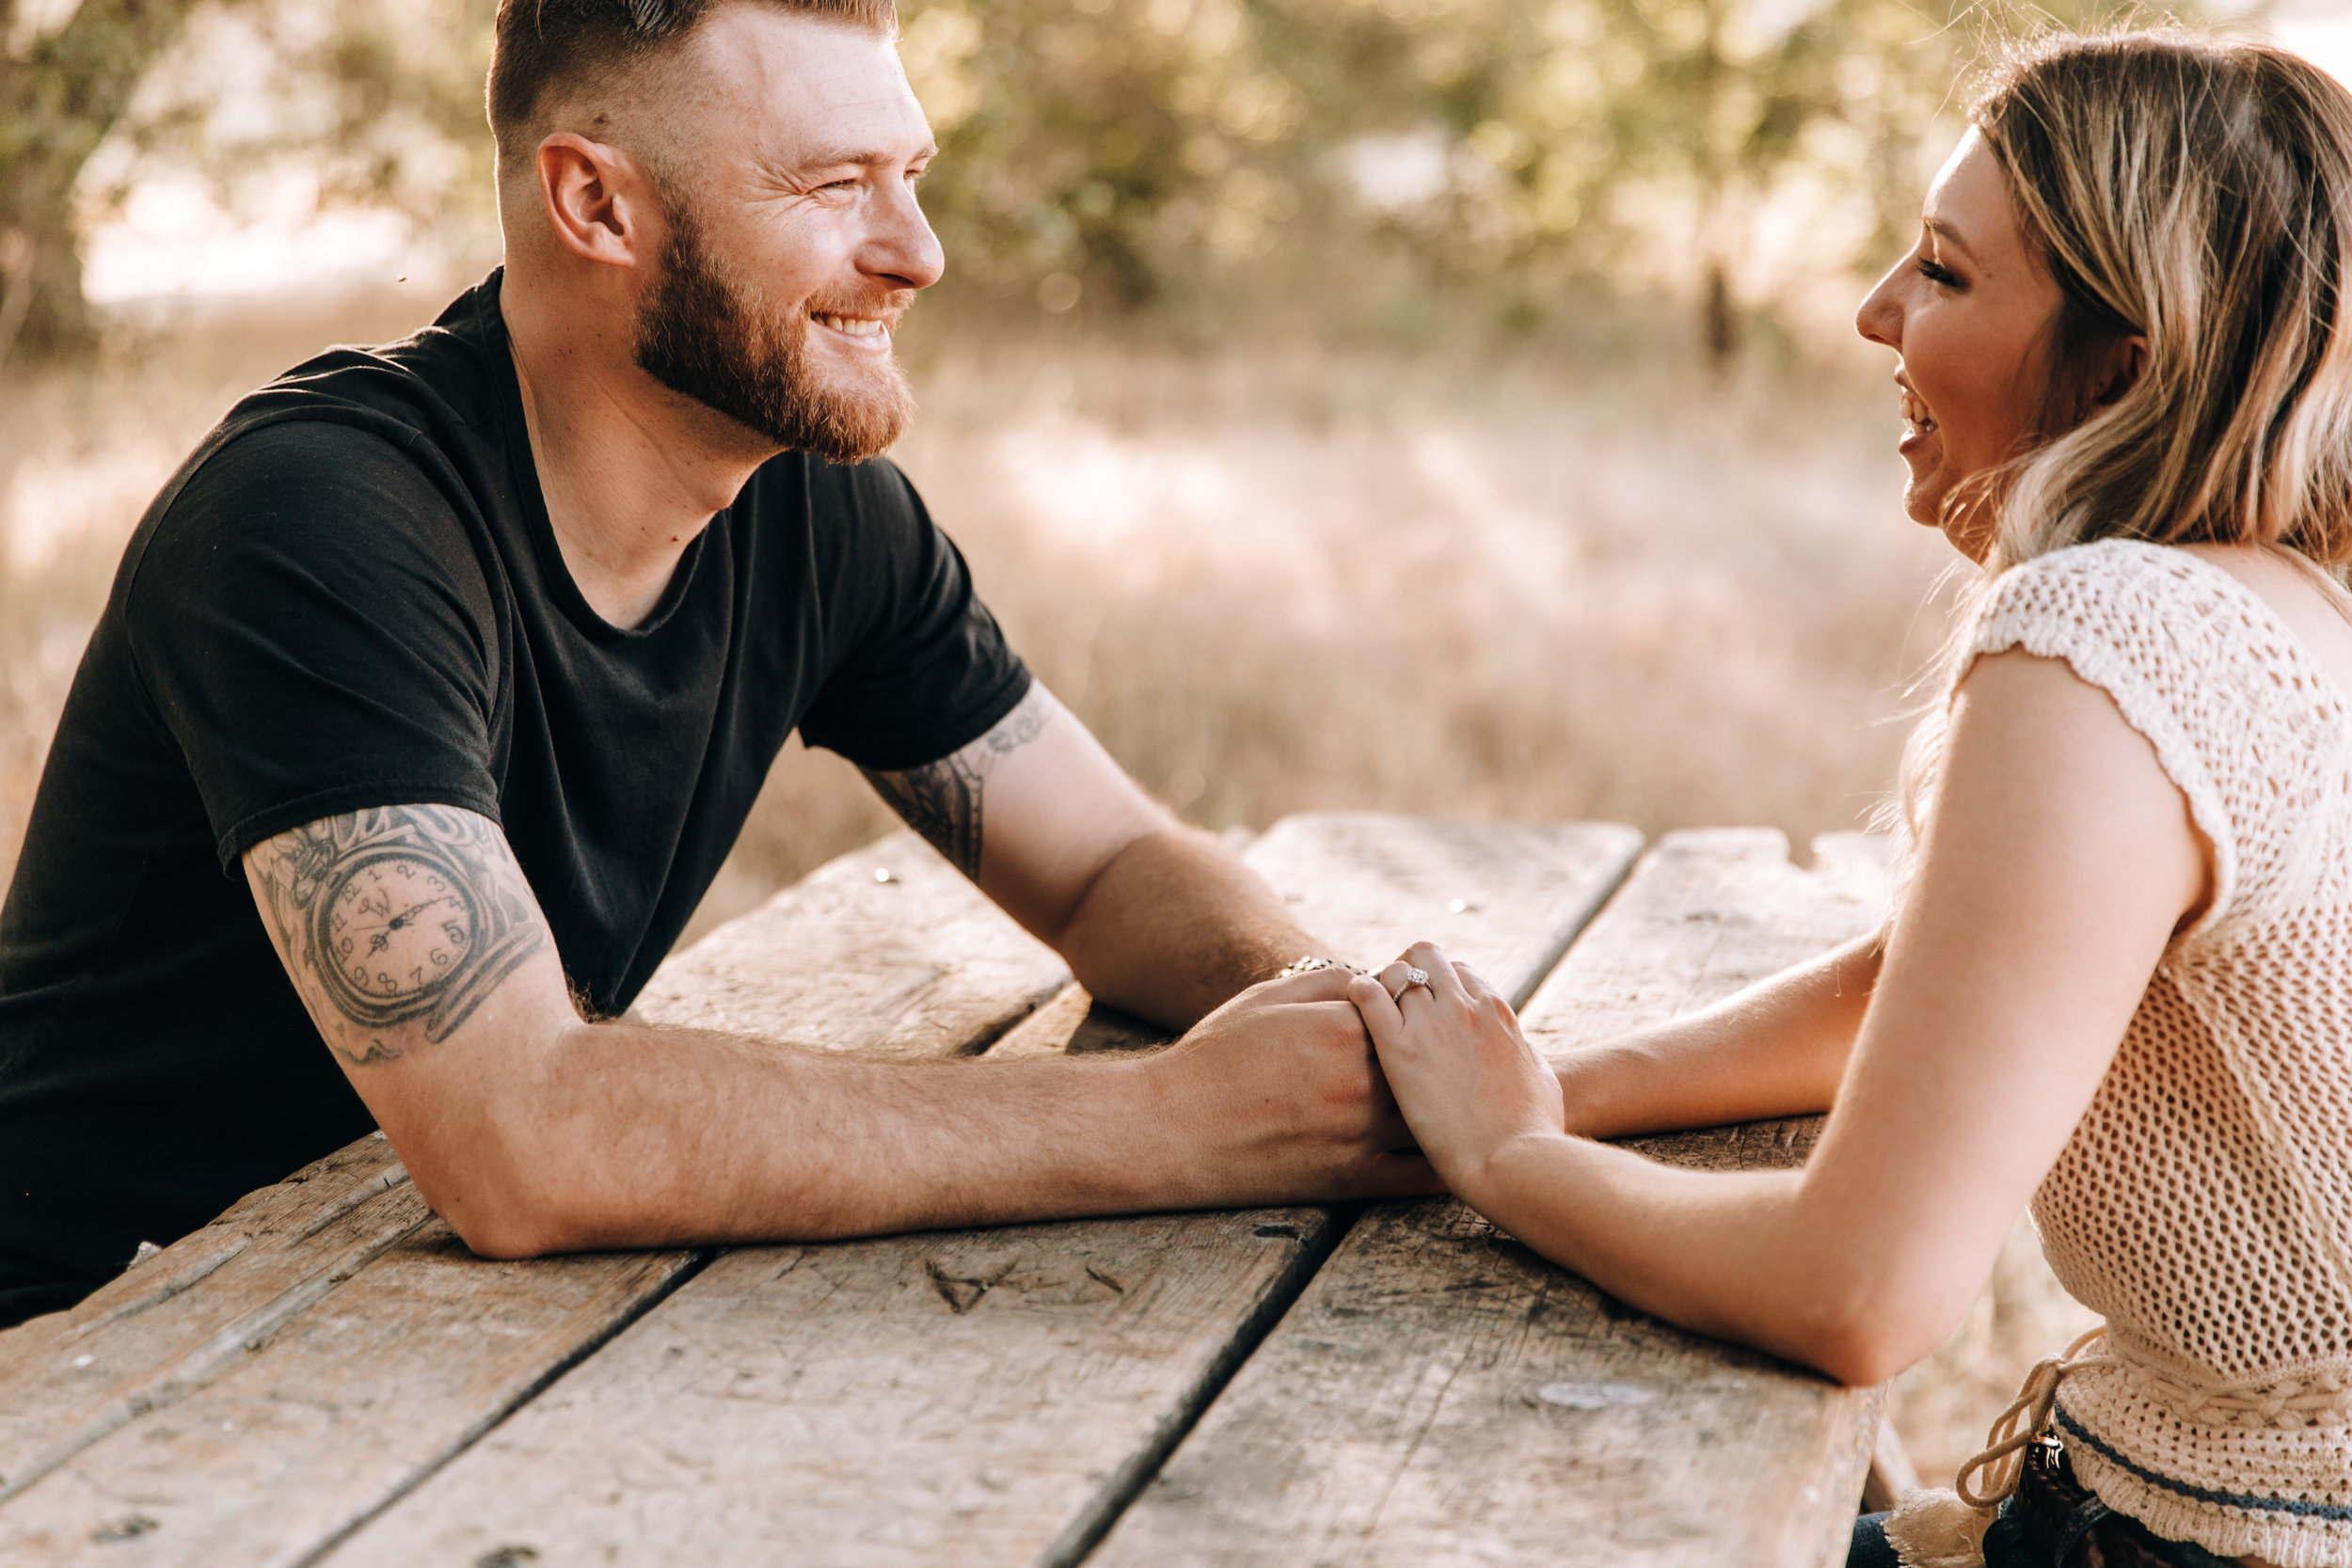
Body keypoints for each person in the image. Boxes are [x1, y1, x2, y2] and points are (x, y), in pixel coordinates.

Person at [0, 0, 1436, 1332]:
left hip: (415, 1330)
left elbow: (1107, 861)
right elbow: (524, 1136)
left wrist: (1337, 1018)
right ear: (596, 202)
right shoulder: (317, 519)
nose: (919, 250)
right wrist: (1177, 1123)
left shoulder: (802, 503)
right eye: (833, 186)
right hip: (96, 1359)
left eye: (910, 171)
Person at [1345, 29, 2352, 1568]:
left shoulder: (2115, 631)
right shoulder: (2305, 608)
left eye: (1947, 274)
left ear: (2127, 363)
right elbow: (1948, 983)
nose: (1876, 311)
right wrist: (1552, 1080)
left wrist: (1512, 1162)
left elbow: (1861, 1290)